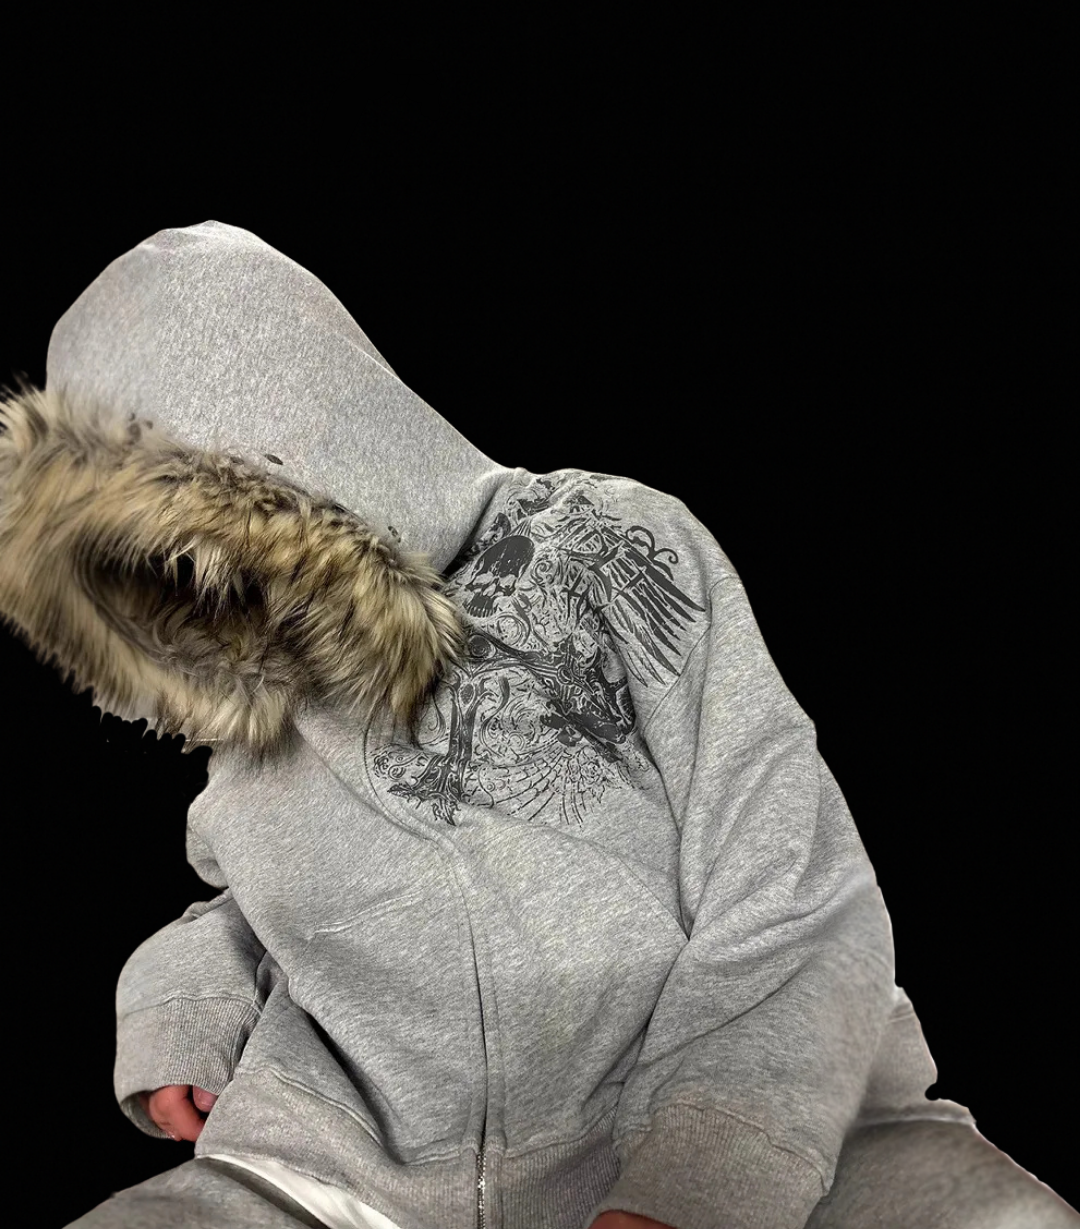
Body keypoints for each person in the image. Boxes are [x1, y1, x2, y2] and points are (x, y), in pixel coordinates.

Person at [0, 220, 1073, 1229]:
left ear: (299, 441)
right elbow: (246, 896)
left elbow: (787, 869)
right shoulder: (253, 687)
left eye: (191, 535)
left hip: (739, 1118)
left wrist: (699, 1174)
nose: (191, 589)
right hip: (338, 1167)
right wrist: (186, 1011)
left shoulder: (602, 538)